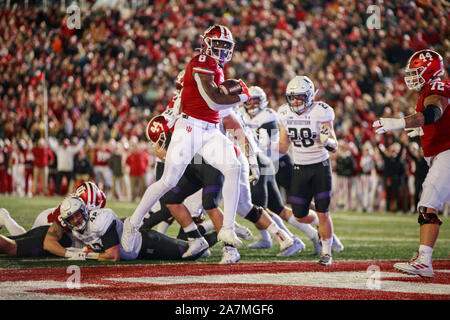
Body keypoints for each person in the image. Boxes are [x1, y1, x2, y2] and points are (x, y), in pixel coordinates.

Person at [121, 25, 251, 254]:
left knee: (234, 167)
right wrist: (241, 95)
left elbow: (217, 105)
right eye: (217, 45)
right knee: (169, 181)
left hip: (210, 130)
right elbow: (213, 101)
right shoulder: (201, 61)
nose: (221, 51)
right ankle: (133, 223)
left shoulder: (217, 68)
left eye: (225, 47)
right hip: (189, 127)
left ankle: (227, 228)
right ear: (206, 44)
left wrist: (235, 95)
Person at [372, 49, 449, 278]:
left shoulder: (436, 87)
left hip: (447, 154)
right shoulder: (429, 89)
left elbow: (433, 111)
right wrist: (423, 129)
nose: (413, 77)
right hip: (442, 154)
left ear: (430, 70)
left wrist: (399, 123)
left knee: (427, 206)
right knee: (428, 205)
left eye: (417, 72)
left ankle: (424, 261)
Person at [239, 86, 323, 255]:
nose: (252, 104)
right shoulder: (239, 112)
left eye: (256, 100)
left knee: (292, 202)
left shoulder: (268, 115)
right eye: (250, 100)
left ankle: (319, 228)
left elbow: (263, 144)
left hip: (272, 162)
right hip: (261, 163)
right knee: (274, 208)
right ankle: (307, 235)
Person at [277, 75, 342, 266]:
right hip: (299, 168)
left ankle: (326, 253)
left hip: (320, 167)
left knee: (323, 212)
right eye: (293, 97)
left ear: (310, 96)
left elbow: (335, 145)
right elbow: (282, 146)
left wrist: (326, 141)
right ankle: (321, 228)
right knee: (299, 214)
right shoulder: (284, 113)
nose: (296, 101)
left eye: (300, 97)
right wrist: (262, 145)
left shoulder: (321, 111)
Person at [40, 196, 213, 261]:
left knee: (195, 253)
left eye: (78, 214)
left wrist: (82, 255)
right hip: (138, 252)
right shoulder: (77, 230)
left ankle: (217, 233)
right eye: (71, 218)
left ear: (85, 211)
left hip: (147, 244)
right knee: (193, 251)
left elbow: (113, 256)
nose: (76, 220)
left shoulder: (100, 220)